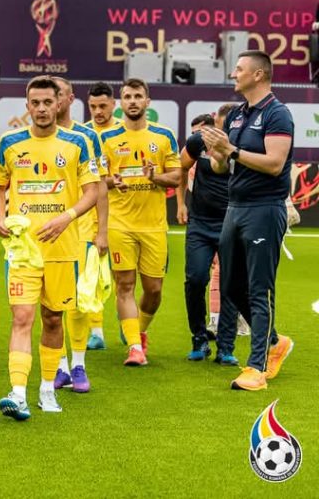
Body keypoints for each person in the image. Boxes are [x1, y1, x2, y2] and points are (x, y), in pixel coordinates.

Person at [0, 76, 99, 420]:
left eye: (47, 102)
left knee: (53, 319)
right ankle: (18, 392)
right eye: (35, 103)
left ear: (59, 103)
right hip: (23, 250)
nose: (41, 109)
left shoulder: (78, 142)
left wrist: (67, 217)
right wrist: (1, 217)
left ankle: (47, 390)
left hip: (62, 249)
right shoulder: (10, 143)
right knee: (22, 317)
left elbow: (93, 191)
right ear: (27, 106)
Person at [202, 51, 295, 392]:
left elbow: (274, 163)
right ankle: (274, 342)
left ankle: (257, 367)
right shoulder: (238, 115)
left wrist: (232, 151)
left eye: (239, 69)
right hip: (235, 207)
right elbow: (223, 165)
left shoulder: (277, 113)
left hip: (265, 208)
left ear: (258, 75)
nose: (233, 73)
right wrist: (216, 152)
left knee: (259, 289)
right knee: (229, 286)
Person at [99, 79, 181, 367]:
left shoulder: (164, 136)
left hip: (154, 226)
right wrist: (112, 181)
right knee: (124, 285)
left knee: (154, 289)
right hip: (119, 224)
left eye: (137, 96)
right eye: (127, 96)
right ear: (120, 103)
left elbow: (176, 177)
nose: (132, 101)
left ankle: (139, 330)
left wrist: (155, 177)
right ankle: (134, 347)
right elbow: (97, 181)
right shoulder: (106, 138)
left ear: (147, 101)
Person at [50, 78, 109, 394]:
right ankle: (59, 366)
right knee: (51, 304)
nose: (53, 100)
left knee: (80, 302)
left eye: (58, 94)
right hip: (47, 234)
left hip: (82, 231)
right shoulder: (30, 138)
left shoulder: (87, 137)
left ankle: (78, 364)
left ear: (70, 98)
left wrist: (102, 231)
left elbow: (100, 187)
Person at [177, 107, 237, 364]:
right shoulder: (198, 141)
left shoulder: (244, 147)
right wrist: (181, 203)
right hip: (200, 223)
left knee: (231, 284)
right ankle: (199, 338)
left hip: (232, 223)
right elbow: (181, 167)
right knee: (196, 279)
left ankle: (226, 347)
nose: (223, 132)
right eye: (221, 126)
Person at [83, 81, 120, 349]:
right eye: (93, 106)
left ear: (113, 105)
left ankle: (129, 323)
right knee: (93, 274)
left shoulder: (123, 132)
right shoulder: (83, 134)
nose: (98, 111)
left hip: (124, 216)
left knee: (124, 278)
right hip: (92, 216)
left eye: (103, 106)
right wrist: (108, 182)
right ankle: (96, 331)